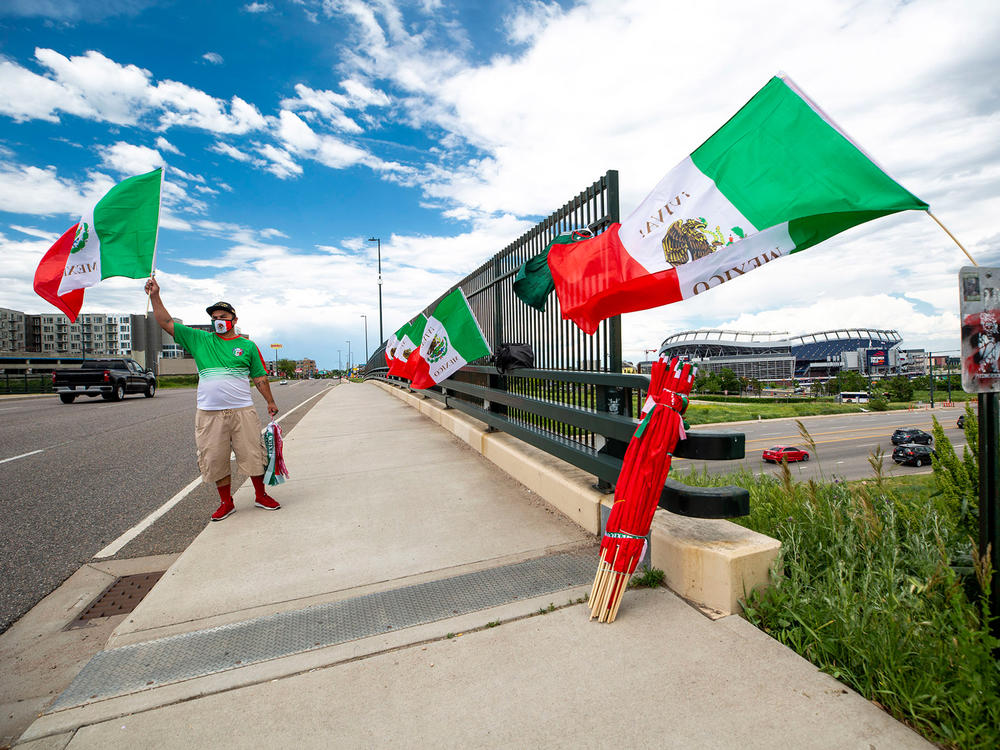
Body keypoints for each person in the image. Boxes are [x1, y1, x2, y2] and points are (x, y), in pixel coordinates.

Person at [145, 277, 281, 521]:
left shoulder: (247, 346)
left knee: (253, 455)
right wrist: (155, 295)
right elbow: (165, 322)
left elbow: (259, 377)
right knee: (214, 458)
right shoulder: (199, 339)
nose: (219, 321)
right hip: (209, 413)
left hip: (242, 411)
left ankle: (260, 496)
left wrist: (270, 402)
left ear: (234, 320)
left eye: (223, 317)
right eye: (215, 317)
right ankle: (226, 502)